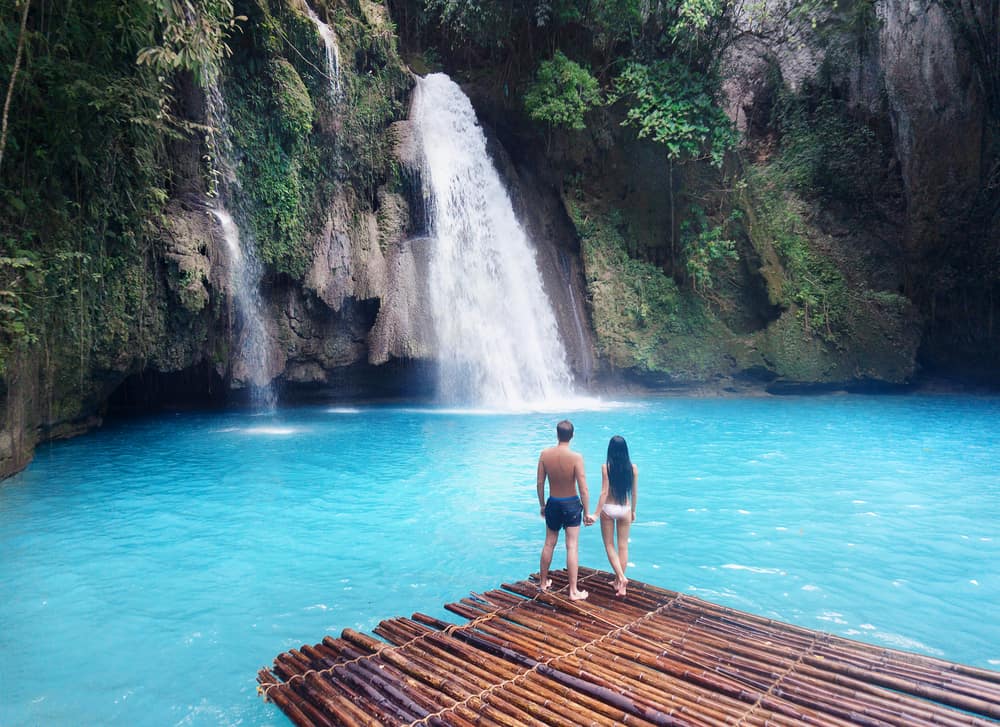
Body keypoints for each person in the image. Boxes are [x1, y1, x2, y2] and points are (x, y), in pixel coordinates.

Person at [536, 419, 592, 600]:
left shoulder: (545, 454)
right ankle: (573, 591)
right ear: (572, 436)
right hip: (571, 504)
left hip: (553, 502)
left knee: (549, 543)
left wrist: (542, 504)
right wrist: (587, 511)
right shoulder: (576, 457)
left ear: (557, 434)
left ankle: (543, 583)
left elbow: (539, 482)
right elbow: (583, 488)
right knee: (572, 546)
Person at [594, 435, 638, 597]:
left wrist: (597, 513)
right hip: (625, 508)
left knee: (609, 545)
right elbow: (634, 492)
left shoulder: (606, 468)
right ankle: (620, 584)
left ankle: (621, 577)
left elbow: (604, 492)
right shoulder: (633, 468)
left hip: (608, 508)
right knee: (623, 546)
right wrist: (633, 510)